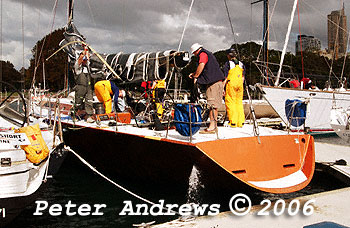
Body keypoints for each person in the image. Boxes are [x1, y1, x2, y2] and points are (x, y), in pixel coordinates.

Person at [189, 43, 225, 133]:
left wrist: (195, 75)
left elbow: (201, 65)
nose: (194, 55)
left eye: (194, 53)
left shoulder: (203, 54)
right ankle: (213, 126)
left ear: (196, 51)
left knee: (212, 105)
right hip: (217, 82)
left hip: (214, 84)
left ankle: (212, 127)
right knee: (214, 105)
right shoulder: (208, 54)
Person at [223, 48, 245, 128]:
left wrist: (222, 88)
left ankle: (233, 122)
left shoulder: (228, 64)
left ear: (229, 55)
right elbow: (243, 77)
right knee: (239, 102)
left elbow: (225, 77)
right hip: (240, 84)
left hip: (231, 83)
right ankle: (240, 122)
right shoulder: (241, 64)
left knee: (230, 102)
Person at [73, 44, 94, 123]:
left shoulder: (87, 67)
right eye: (84, 60)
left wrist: (86, 49)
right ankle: (74, 114)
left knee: (89, 101)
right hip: (80, 87)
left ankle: (89, 116)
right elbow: (80, 59)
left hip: (88, 87)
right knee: (78, 102)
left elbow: (87, 58)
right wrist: (83, 53)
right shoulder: (77, 66)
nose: (85, 61)